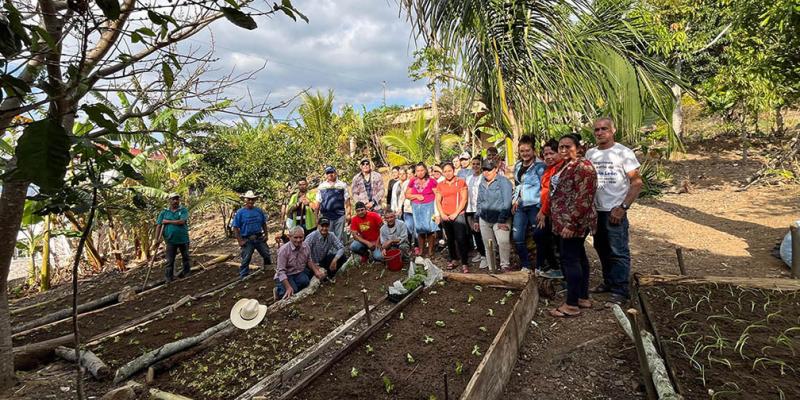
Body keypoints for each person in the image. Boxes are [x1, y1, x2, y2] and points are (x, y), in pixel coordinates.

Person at [585, 117, 643, 306]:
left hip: (614, 211)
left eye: (604, 129)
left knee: (618, 250)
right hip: (596, 211)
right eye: (597, 130)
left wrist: (623, 207)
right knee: (601, 248)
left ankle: (620, 290)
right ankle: (609, 282)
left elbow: (636, 183)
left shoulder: (623, 153)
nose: (600, 132)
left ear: (613, 130)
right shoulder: (590, 154)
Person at [548, 134, 597, 318]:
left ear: (579, 148)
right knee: (579, 257)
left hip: (573, 223)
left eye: (568, 147)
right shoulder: (567, 165)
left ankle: (571, 304)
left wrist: (572, 223)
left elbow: (584, 198)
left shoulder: (583, 167)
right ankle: (582, 297)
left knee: (570, 260)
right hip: (564, 222)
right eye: (561, 147)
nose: (563, 150)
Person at [511, 135, 546, 271]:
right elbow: (518, 184)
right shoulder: (518, 165)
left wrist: (543, 210)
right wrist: (515, 199)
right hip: (521, 206)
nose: (525, 153)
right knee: (517, 237)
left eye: (527, 150)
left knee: (539, 236)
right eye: (522, 151)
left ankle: (539, 266)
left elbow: (545, 189)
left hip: (535, 206)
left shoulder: (540, 166)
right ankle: (525, 265)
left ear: (533, 150)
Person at [475, 159, 513, 272]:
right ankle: (492, 268)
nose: (486, 172)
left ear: (495, 169)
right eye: (484, 170)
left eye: (489, 170)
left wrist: (502, 220)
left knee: (503, 242)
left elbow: (507, 202)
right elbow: (479, 201)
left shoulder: (504, 182)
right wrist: (477, 218)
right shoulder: (482, 182)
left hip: (500, 218)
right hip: (484, 218)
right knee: (489, 245)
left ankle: (505, 265)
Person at [535, 139, 564, 279]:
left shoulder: (561, 169)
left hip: (556, 212)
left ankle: (559, 269)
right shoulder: (548, 170)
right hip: (547, 210)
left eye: (551, 153)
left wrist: (543, 212)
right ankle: (554, 266)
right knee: (541, 236)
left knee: (555, 241)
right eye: (545, 154)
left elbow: (552, 193)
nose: (548, 157)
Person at [435, 163, 470, 272]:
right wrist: (442, 214)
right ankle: (453, 259)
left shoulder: (460, 182)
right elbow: (438, 200)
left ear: (454, 170)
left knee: (461, 239)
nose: (447, 173)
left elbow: (464, 199)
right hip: (446, 216)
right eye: (445, 171)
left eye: (449, 171)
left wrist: (456, 213)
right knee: (450, 239)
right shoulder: (440, 184)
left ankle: (464, 263)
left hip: (458, 215)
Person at [274, 227, 327, 300]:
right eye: (295, 237)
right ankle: (278, 290)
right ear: (290, 237)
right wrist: (288, 287)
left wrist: (316, 271)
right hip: (286, 274)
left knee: (305, 282)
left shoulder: (306, 246)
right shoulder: (283, 250)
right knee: (291, 291)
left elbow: (309, 260)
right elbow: (281, 272)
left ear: (304, 237)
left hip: (297, 272)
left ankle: (292, 286)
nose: (298, 240)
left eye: (300, 237)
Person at [232, 191, 271, 279]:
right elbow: (235, 227)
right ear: (245, 200)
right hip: (247, 239)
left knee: (266, 254)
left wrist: (266, 234)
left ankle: (268, 270)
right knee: (246, 257)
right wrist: (240, 241)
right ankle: (244, 275)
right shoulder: (240, 212)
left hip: (259, 237)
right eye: (249, 199)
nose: (250, 201)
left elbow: (263, 223)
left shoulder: (258, 211)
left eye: (252, 199)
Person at [406, 162, 439, 257]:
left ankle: (430, 251)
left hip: (429, 206)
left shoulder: (432, 181)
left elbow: (437, 195)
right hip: (417, 207)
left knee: (430, 229)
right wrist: (416, 195)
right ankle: (421, 250)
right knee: (420, 230)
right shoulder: (412, 181)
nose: (420, 172)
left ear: (425, 170)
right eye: (418, 170)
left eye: (422, 170)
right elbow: (407, 195)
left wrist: (437, 212)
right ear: (415, 172)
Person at [156, 193, 190, 282]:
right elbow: (159, 225)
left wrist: (167, 221)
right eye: (173, 199)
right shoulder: (164, 212)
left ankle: (187, 273)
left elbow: (182, 221)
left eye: (177, 199)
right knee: (169, 261)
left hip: (183, 238)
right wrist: (157, 239)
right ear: (169, 200)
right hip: (170, 240)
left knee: (186, 257)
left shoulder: (183, 210)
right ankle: (168, 278)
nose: (175, 201)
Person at [465, 155, 487, 269]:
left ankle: (485, 256)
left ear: (481, 165)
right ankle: (480, 252)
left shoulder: (484, 177)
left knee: (481, 232)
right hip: (469, 208)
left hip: (480, 208)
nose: (475, 166)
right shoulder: (468, 178)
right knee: (474, 232)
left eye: (477, 164)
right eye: (473, 164)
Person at [317, 166, 350, 241]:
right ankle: (329, 252)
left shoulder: (342, 185)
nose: (330, 174)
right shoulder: (321, 186)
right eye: (328, 173)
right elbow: (318, 202)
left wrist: (348, 214)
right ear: (326, 174)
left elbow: (347, 201)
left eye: (331, 172)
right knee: (327, 236)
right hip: (326, 216)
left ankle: (339, 252)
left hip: (340, 215)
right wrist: (316, 217)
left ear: (335, 173)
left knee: (339, 236)